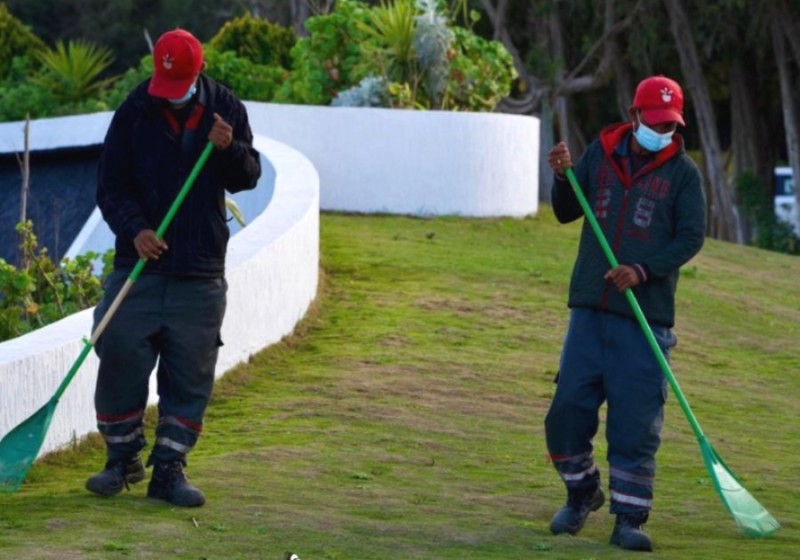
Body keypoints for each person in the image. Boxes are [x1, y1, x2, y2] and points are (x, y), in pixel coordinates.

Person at [86, 28, 261, 507]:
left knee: (190, 369)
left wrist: (230, 150)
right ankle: (121, 460)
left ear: (198, 71)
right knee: (116, 344)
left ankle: (170, 471)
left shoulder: (226, 107)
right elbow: (110, 186)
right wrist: (136, 229)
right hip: (139, 264)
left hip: (199, 268)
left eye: (181, 83)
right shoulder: (133, 111)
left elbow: (248, 178)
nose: (171, 93)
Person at [544, 75, 706, 551]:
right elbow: (566, 211)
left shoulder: (683, 174)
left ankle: (630, 519)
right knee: (567, 410)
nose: (664, 132)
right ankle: (581, 494)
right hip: (590, 311)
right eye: (655, 123)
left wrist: (642, 269)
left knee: (635, 421)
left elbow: (691, 237)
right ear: (635, 116)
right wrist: (561, 175)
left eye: (671, 125)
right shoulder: (601, 152)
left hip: (645, 318)